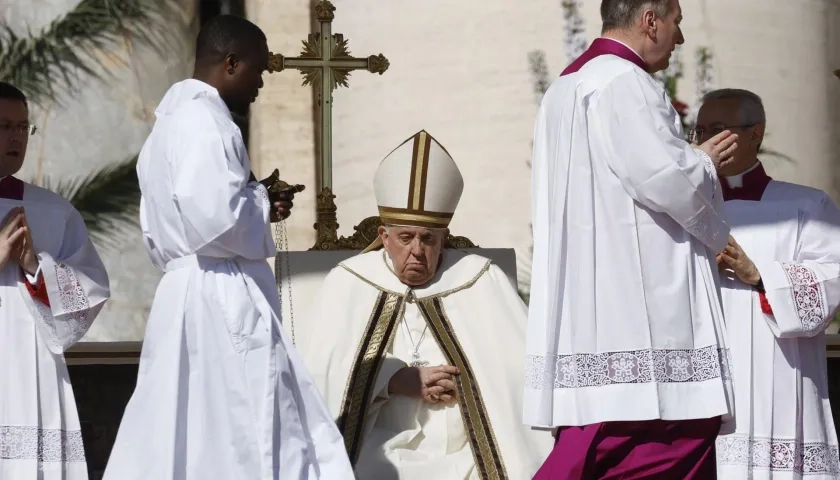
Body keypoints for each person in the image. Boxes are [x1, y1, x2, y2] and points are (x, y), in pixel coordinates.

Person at [103, 15, 353, 480]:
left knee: (188, 426)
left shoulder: (169, 127)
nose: (261, 85)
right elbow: (215, 223)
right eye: (258, 72)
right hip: (218, 293)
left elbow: (197, 210)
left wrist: (256, 197)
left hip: (187, 292)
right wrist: (260, 200)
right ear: (231, 63)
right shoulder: (207, 121)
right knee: (243, 426)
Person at [526, 0, 743, 478]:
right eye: (676, 24)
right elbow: (664, 179)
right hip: (639, 307)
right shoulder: (627, 83)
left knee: (599, 434)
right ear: (651, 21)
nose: (679, 38)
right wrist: (703, 161)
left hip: (591, 305)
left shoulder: (563, 88)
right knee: (663, 436)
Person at [294, 130, 553, 479]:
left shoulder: (479, 278)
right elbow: (316, 378)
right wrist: (393, 380)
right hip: (375, 448)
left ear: (444, 238)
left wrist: (469, 382)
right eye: (405, 237)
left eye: (428, 238)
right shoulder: (348, 281)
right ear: (384, 237)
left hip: (468, 452)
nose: (417, 250)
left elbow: (520, 375)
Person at [694, 88, 840, 479]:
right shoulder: (683, 208)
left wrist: (759, 276)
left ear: (756, 134)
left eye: (720, 129)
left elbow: (832, 277)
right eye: (701, 130)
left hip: (778, 368)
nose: (708, 140)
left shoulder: (807, 206)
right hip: (704, 375)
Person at [0, 82, 110, 479]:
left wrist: (35, 267)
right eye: (4, 126)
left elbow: (91, 289)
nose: (15, 137)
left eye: (22, 128)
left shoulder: (51, 210)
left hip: (30, 361)